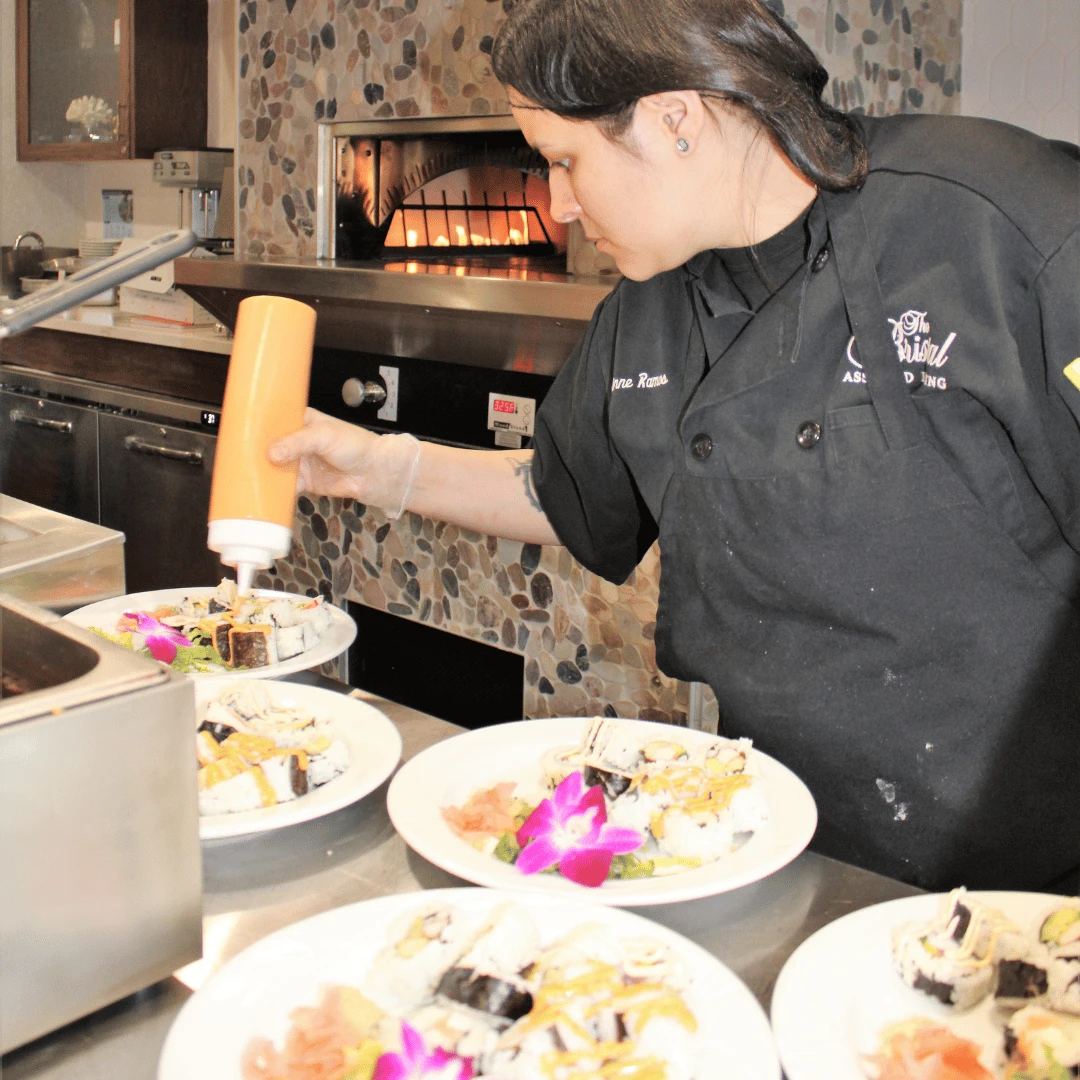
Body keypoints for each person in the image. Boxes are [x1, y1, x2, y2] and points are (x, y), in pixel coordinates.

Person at [269, 0, 1080, 892]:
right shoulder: (648, 306)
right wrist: (383, 467)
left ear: (674, 117)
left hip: (1031, 879)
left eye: (565, 161)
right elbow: (563, 490)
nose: (560, 205)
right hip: (769, 845)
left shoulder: (1005, 222)